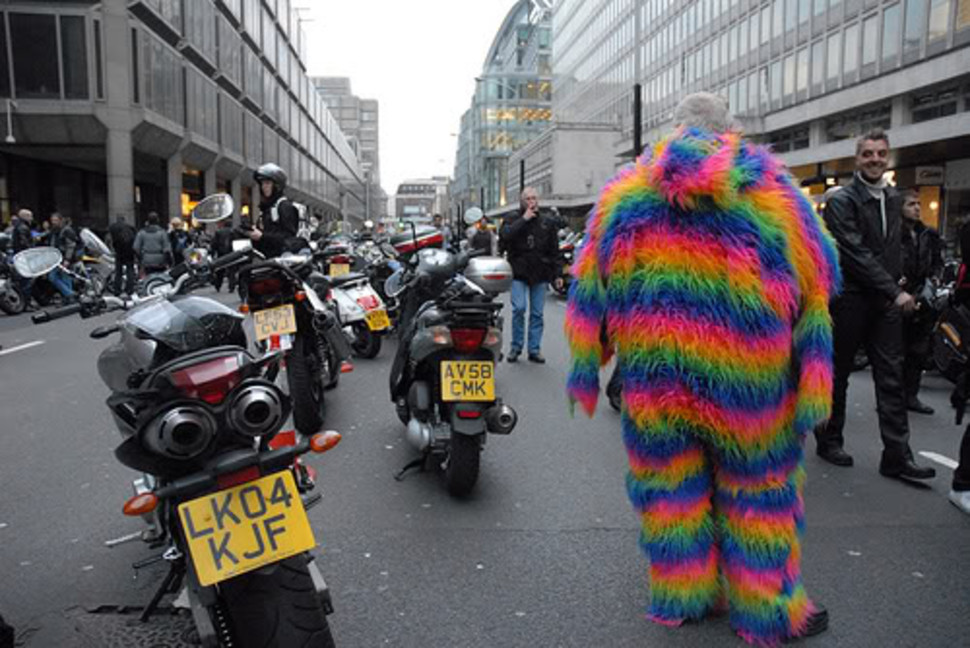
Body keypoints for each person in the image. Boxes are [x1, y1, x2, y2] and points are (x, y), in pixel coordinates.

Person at [565, 93, 834, 645]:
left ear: (674, 130)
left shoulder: (626, 197)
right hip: (748, 382)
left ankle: (684, 595)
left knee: (671, 490)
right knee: (758, 491)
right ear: (730, 130)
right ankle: (765, 611)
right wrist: (813, 374)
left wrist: (591, 362)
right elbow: (819, 282)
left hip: (657, 378)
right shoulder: (774, 193)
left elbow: (589, 287)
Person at [814, 129, 935, 481]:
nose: (875, 159)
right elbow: (854, 253)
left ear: (888, 157)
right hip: (849, 299)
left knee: (892, 378)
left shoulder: (894, 198)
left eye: (881, 154)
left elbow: (895, 248)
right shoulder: (842, 201)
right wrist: (894, 289)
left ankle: (897, 455)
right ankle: (829, 438)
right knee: (837, 374)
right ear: (858, 158)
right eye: (868, 154)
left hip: (883, 300)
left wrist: (900, 281)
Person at [499, 186, 558, 363]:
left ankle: (534, 349)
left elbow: (554, 250)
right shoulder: (512, 218)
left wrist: (557, 274)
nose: (532, 202)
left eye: (534, 198)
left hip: (540, 273)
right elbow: (505, 237)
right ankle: (516, 347)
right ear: (522, 201)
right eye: (528, 199)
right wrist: (523, 220)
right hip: (518, 272)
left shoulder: (546, 222)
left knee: (537, 313)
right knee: (519, 308)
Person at [899, 188, 943, 414]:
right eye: (911, 204)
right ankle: (893, 399)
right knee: (896, 353)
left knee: (918, 351)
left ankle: (911, 396)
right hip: (899, 298)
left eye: (918, 204)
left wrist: (933, 281)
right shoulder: (893, 235)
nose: (917, 208)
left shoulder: (929, 234)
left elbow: (938, 262)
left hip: (922, 298)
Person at [249, 163, 306, 258]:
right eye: (262, 183)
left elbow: (289, 237)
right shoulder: (267, 207)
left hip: (281, 261)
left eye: (267, 183)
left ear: (277, 186)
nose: (264, 187)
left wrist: (262, 236)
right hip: (265, 259)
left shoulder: (284, 206)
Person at [46, 213, 77, 302]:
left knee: (64, 277)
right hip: (55, 258)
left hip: (63, 257)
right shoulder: (53, 230)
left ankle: (69, 296)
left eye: (55, 220)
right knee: (53, 277)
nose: (53, 222)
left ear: (60, 220)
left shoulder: (67, 230)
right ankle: (69, 294)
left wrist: (67, 259)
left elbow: (70, 246)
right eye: (52, 220)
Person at [108, 216, 137, 296]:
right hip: (129, 252)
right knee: (130, 270)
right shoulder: (130, 228)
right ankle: (130, 289)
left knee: (118, 272)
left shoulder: (113, 227)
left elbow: (110, 239)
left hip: (119, 251)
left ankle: (117, 289)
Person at [211, 219, 236, 292]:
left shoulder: (219, 232)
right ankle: (231, 286)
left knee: (220, 270)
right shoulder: (233, 231)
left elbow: (214, 243)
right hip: (231, 253)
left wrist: (213, 252)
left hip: (221, 253)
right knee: (231, 270)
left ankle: (218, 285)